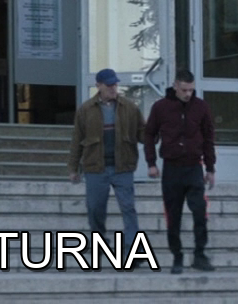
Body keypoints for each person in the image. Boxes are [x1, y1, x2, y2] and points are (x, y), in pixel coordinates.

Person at [144, 69, 216, 274]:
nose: (188, 94)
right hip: (172, 168)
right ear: (175, 86)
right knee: (173, 216)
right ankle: (177, 255)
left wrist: (210, 168)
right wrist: (151, 163)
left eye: (191, 90)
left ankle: (199, 254)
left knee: (200, 211)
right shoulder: (161, 107)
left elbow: (209, 138)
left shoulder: (200, 107)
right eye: (184, 90)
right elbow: (149, 134)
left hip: (194, 167)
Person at [69, 68, 143, 254]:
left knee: (128, 207)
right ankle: (99, 241)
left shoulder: (130, 108)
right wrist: (73, 168)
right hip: (96, 167)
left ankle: (132, 247)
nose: (113, 88)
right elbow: (77, 140)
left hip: (123, 166)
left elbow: (143, 132)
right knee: (95, 209)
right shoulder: (85, 110)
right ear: (98, 86)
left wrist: (157, 134)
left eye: (115, 84)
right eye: (109, 85)